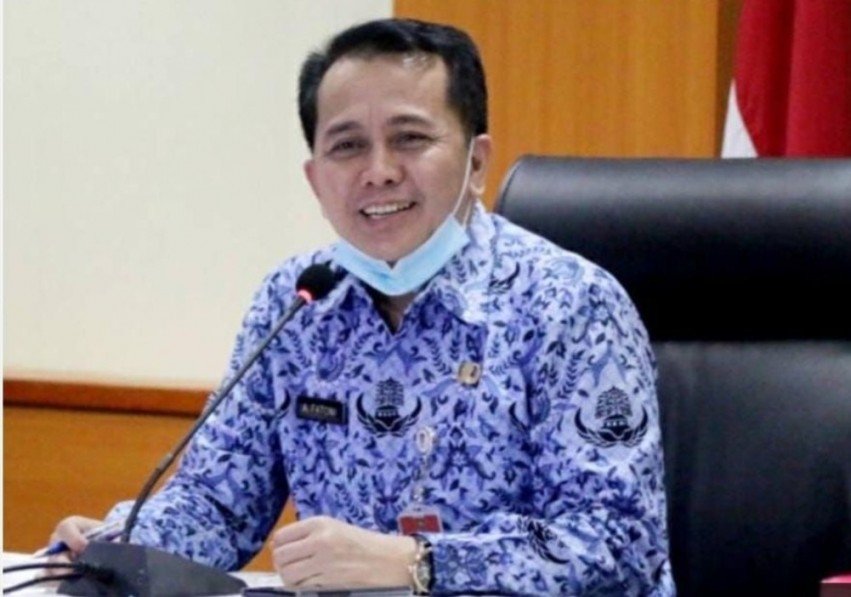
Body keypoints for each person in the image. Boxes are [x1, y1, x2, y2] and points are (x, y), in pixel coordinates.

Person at [50, 18, 674, 595]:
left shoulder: (571, 305)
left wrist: (418, 562)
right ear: (315, 178)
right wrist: (113, 547)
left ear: (476, 163)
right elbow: (217, 503)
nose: (378, 171)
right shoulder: (296, 302)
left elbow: (618, 542)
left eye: (410, 139)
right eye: (347, 146)